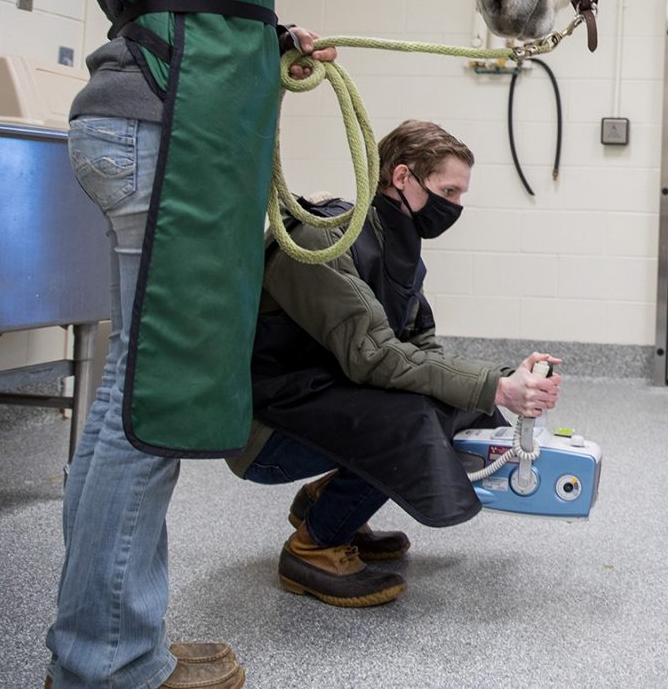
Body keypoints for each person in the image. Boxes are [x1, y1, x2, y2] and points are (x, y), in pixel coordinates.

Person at [39, 0, 534, 689]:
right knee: (153, 406)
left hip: (136, 117)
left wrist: (264, 35)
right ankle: (108, 661)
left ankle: (100, 642)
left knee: (128, 397)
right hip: (167, 134)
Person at [228, 120, 562, 607]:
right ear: (403, 177)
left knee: (449, 405)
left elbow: (420, 348)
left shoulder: (395, 244)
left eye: (461, 195)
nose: (455, 207)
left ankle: (328, 507)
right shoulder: (324, 239)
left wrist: (501, 381)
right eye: (448, 190)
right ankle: (313, 548)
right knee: (412, 418)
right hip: (265, 426)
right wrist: (493, 386)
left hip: (318, 400)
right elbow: (375, 357)